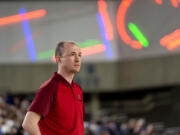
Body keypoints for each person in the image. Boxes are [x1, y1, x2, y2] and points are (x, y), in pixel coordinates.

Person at [22, 41, 84, 135]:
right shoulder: (50, 88)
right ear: (59, 59)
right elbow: (28, 124)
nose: (77, 59)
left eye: (79, 55)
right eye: (72, 54)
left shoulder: (78, 89)